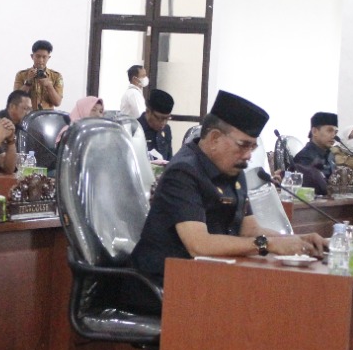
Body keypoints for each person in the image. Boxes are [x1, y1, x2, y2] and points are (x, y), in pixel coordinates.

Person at [127, 90, 327, 314]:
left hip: (207, 278)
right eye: (243, 145)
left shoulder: (233, 171)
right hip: (162, 285)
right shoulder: (183, 172)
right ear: (214, 138)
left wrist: (297, 241)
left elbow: (249, 230)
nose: (248, 155)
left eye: (252, 147)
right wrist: (267, 245)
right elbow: (198, 245)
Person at [292, 111, 338, 196]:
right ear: (314, 132)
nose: (334, 136)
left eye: (335, 132)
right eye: (329, 130)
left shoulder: (330, 154)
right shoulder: (304, 157)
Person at [13, 40, 64, 110]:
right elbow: (15, 100)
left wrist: (49, 86)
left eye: (44, 57)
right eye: (38, 56)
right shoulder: (21, 75)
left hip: (47, 115)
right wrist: (28, 83)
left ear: (48, 58)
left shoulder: (56, 76)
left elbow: (57, 102)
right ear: (32, 56)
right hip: (27, 115)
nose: (41, 60)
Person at [140, 88, 174, 161]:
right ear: (148, 111)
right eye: (160, 118)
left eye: (167, 118)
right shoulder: (136, 129)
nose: (164, 123)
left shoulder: (166, 129)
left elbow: (169, 158)